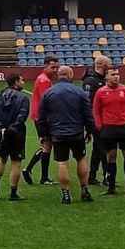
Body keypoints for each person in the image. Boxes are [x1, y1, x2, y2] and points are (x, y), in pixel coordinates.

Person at [38, 66, 95, 204]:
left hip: (58, 134)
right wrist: (90, 130)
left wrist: (43, 134)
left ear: (58, 75)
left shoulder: (49, 93)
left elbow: (41, 117)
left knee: (62, 163)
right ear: (70, 74)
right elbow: (88, 114)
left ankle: (66, 194)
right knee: (81, 158)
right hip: (76, 132)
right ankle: (84, 189)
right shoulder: (79, 92)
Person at [92, 66, 125, 195]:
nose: (116, 76)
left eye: (117, 74)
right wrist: (99, 125)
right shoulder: (101, 92)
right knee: (111, 157)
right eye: (113, 74)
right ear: (106, 77)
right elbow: (96, 111)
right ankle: (111, 186)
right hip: (109, 128)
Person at [0, 72, 30, 201]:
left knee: (2, 159)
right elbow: (21, 117)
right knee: (16, 163)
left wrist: (1, 128)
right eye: (22, 80)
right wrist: (11, 129)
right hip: (17, 134)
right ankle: (13, 192)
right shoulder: (23, 98)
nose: (23, 83)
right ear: (16, 82)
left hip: (1, 133)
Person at [22, 56, 60, 187]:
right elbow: (47, 101)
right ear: (45, 66)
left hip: (40, 117)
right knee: (46, 145)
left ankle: (36, 173)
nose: (55, 70)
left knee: (47, 146)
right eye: (52, 67)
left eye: (56, 67)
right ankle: (34, 172)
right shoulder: (44, 80)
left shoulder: (43, 79)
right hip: (43, 118)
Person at [81, 54, 111, 186]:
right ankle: (107, 176)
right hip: (95, 119)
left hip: (104, 118)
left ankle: (92, 176)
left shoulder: (101, 79)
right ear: (103, 66)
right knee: (103, 147)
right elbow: (87, 102)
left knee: (98, 148)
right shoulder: (90, 81)